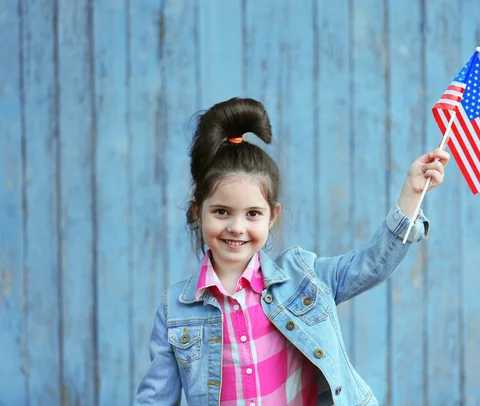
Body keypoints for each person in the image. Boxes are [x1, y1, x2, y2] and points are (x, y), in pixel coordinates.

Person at [133, 97, 450, 406]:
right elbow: (155, 398)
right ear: (196, 212)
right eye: (221, 212)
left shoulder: (302, 277)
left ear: (273, 216)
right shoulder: (175, 311)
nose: (237, 227)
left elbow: (371, 266)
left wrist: (411, 195)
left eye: (252, 214)